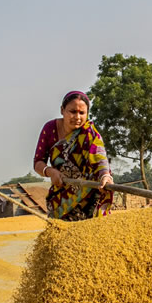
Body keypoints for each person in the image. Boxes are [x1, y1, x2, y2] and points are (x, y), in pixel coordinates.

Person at [33, 91, 114, 220]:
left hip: (90, 194)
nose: (77, 117)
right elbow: (38, 162)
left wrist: (105, 175)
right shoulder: (49, 129)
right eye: (72, 111)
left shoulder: (90, 134)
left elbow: (100, 157)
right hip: (62, 196)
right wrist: (50, 172)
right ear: (62, 110)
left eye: (82, 113)